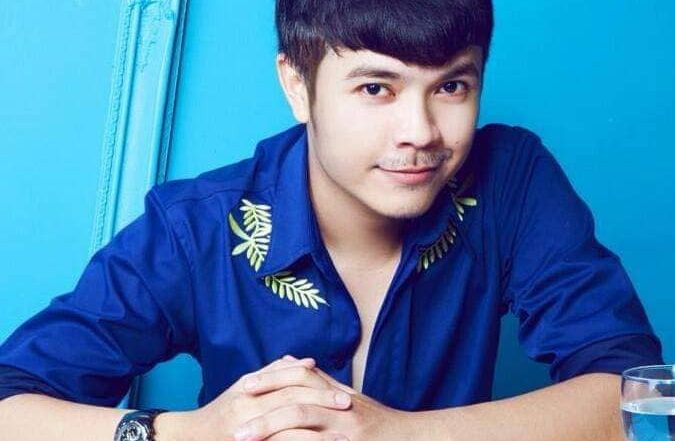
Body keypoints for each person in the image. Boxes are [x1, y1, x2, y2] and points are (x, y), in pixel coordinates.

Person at [0, 0, 663, 440]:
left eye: (451, 86)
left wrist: (397, 434)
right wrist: (190, 433)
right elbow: (11, 404)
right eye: (376, 88)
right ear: (296, 84)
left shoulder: (510, 179)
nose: (420, 131)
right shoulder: (195, 226)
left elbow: (636, 395)